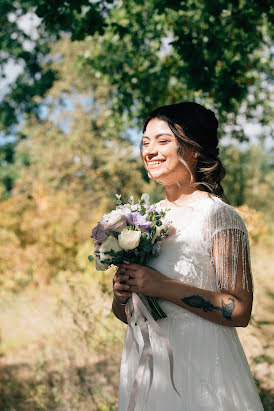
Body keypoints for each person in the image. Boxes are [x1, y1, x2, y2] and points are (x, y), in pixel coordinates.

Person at [112, 102, 264, 410]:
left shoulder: (218, 216)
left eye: (162, 140)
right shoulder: (142, 219)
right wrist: (122, 294)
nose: (149, 150)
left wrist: (161, 286)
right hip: (147, 368)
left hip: (203, 369)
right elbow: (124, 315)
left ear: (193, 148)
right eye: (145, 142)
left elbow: (240, 310)